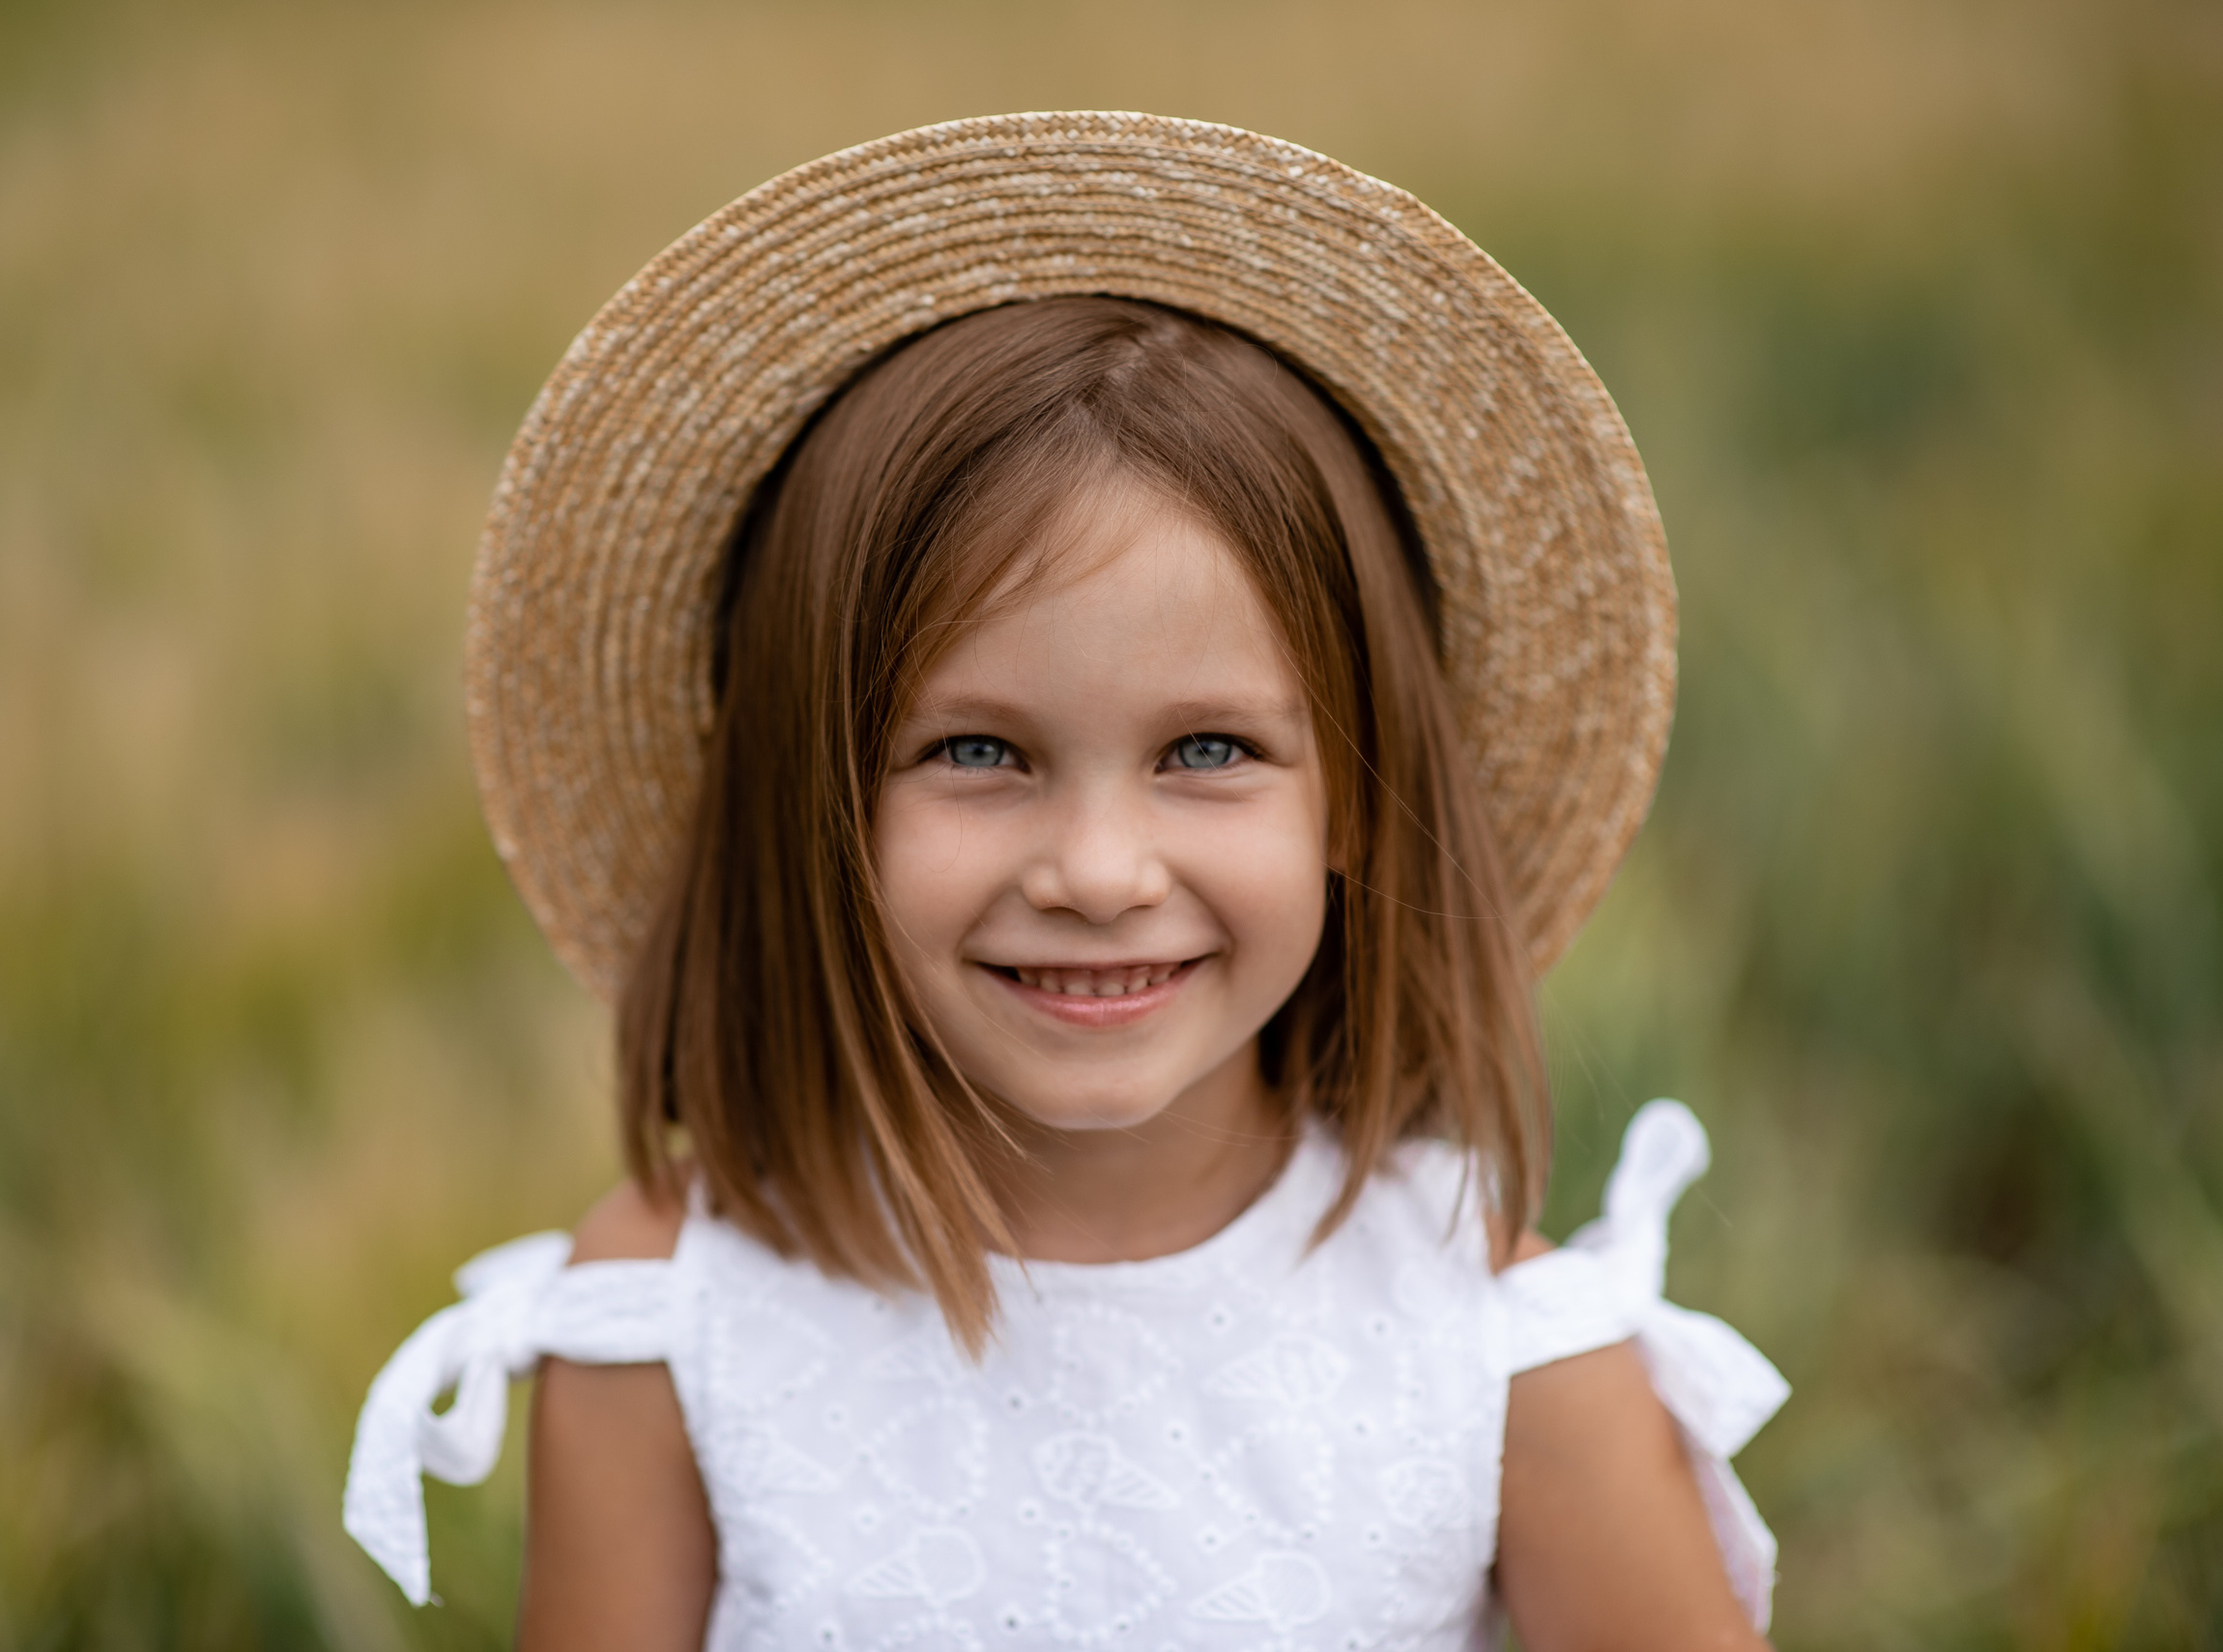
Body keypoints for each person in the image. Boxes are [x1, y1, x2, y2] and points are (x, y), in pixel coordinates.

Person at [343, 113, 1789, 1652]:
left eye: (1210, 748)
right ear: (813, 808)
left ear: (1355, 803)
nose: (1099, 871)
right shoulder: (671, 1309)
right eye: (976, 751)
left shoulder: (1502, 1350)